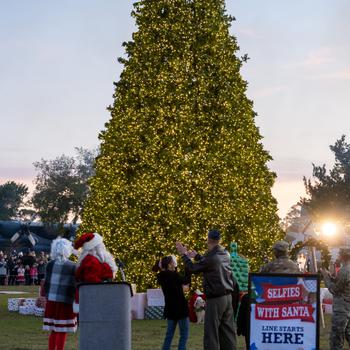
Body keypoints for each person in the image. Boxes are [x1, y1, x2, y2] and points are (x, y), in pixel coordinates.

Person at [176, 229, 237, 350]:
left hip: (216, 299)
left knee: (211, 333)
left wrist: (184, 255)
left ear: (208, 239)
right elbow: (211, 263)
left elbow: (193, 268)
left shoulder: (212, 257)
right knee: (227, 333)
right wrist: (198, 256)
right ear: (219, 240)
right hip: (228, 297)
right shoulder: (225, 253)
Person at [43, 238, 77, 350]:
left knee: (53, 329)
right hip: (66, 301)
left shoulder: (49, 264)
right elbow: (76, 284)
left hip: (51, 301)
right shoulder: (73, 266)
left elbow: (46, 283)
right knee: (62, 330)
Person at [153, 255, 191, 350]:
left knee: (169, 335)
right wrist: (188, 267)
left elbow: (175, 278)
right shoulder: (175, 276)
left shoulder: (162, 277)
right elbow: (186, 280)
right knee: (184, 334)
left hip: (170, 309)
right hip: (180, 309)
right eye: (173, 262)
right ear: (169, 265)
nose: (175, 264)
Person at [74, 232, 117, 312]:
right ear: (96, 247)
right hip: (92, 298)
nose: (103, 245)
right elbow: (91, 281)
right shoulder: (91, 261)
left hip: (92, 296)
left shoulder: (93, 259)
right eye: (101, 244)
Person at [321, 247, 350, 350]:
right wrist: (331, 278)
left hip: (341, 309)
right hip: (347, 307)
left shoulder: (344, 270)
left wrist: (326, 277)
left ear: (341, 256)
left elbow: (335, 290)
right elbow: (342, 285)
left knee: (336, 340)